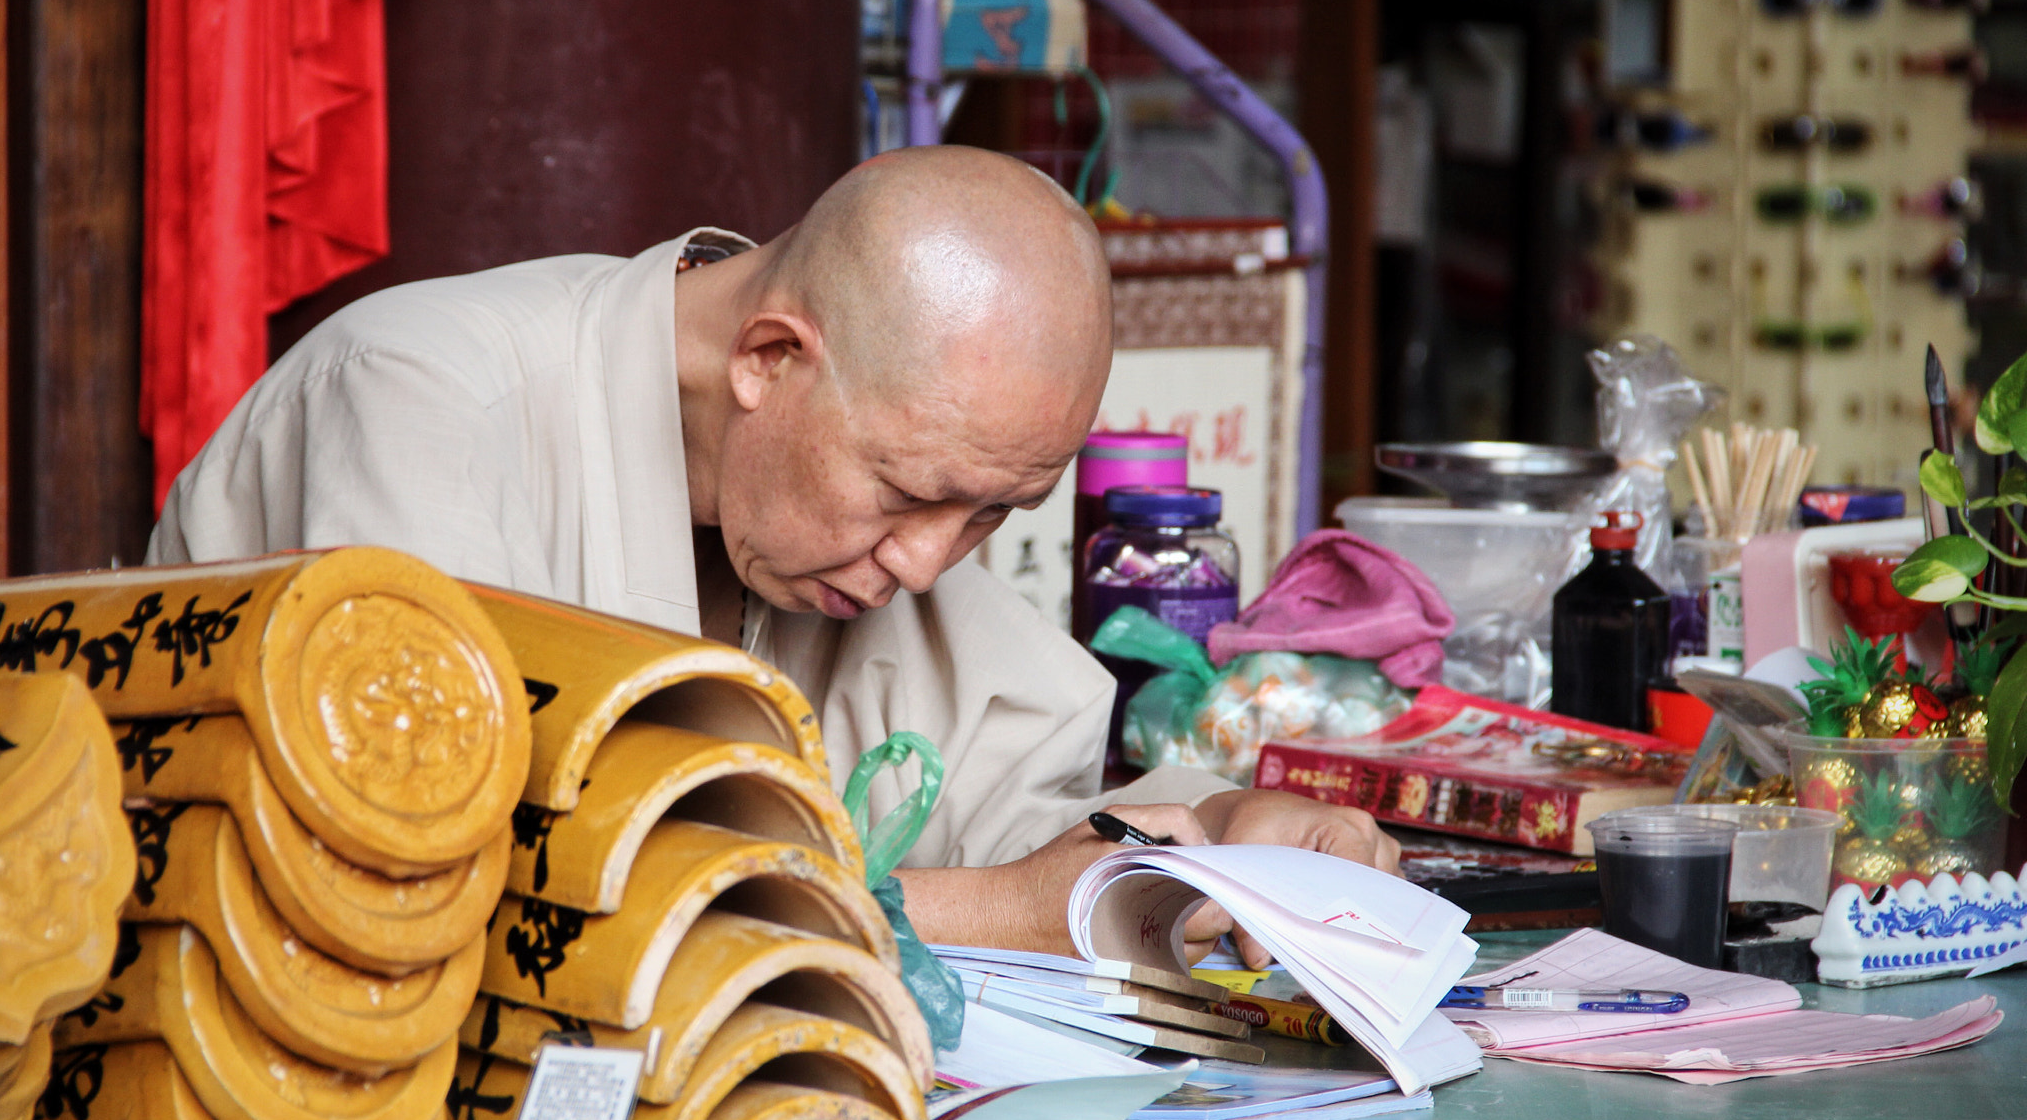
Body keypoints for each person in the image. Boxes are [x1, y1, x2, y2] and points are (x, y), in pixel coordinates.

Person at [149, 145, 1399, 962]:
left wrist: (1214, 840)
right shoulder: (422, 398)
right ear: (769, 360)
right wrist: (1003, 913)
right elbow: (460, 885)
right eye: (909, 493)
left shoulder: (881, 549)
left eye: (989, 517)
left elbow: (1023, 826)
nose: (923, 564)